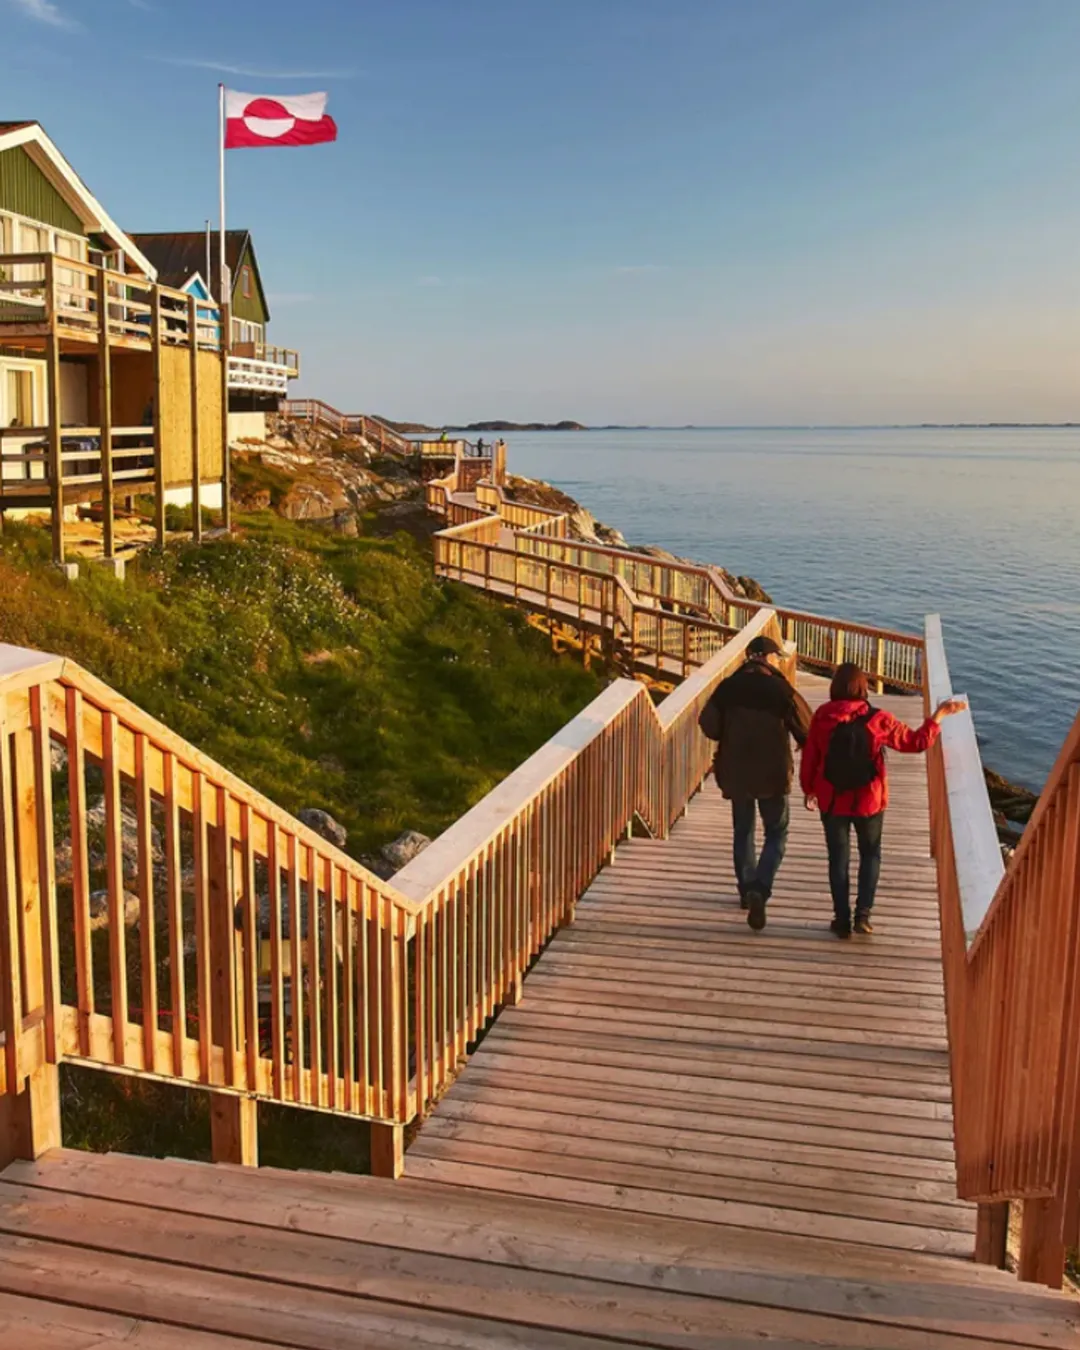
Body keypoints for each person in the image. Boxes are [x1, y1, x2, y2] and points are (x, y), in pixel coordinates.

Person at [800, 661, 966, 938]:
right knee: (871, 854)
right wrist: (938, 715)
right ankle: (862, 915)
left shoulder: (822, 716)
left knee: (838, 859)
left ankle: (841, 920)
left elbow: (810, 757)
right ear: (863, 687)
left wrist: (809, 790)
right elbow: (915, 742)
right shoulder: (878, 719)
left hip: (831, 799)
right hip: (869, 800)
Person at [698, 635, 812, 931]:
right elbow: (806, 727)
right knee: (777, 831)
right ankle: (761, 888)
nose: (778, 663)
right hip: (772, 773)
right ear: (768, 657)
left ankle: (747, 891)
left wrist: (729, 731)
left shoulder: (728, 688)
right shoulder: (780, 689)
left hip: (736, 773)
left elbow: (708, 724)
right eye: (777, 658)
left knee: (743, 830)